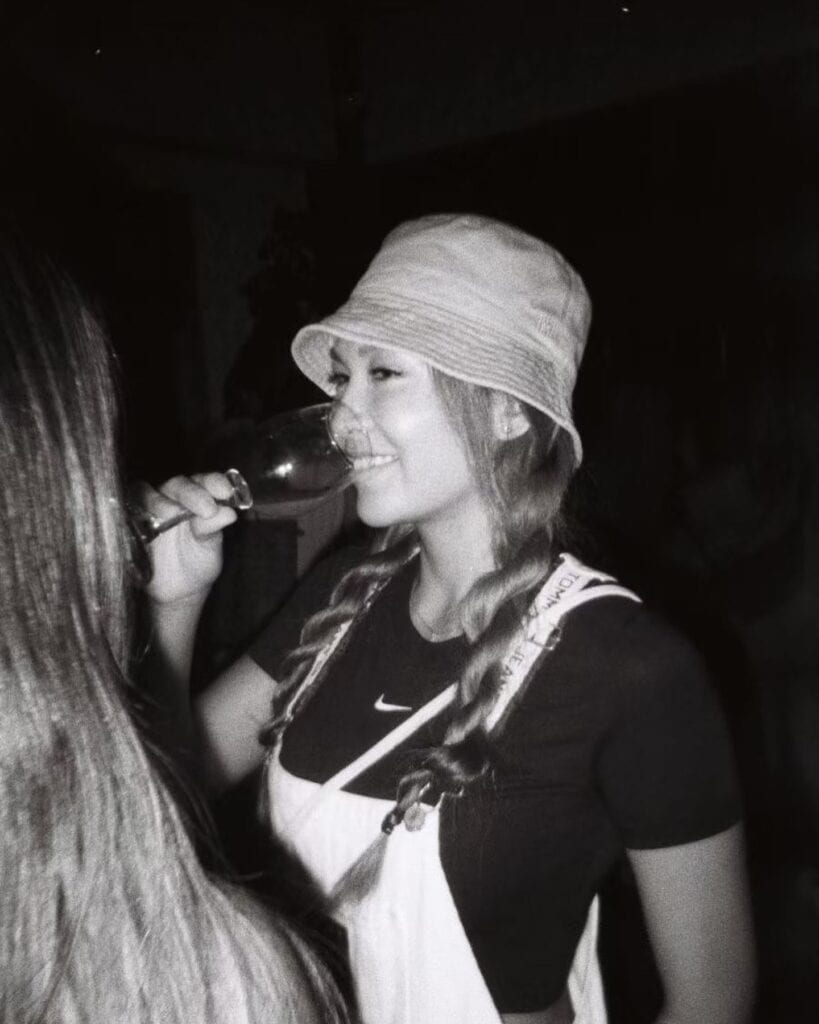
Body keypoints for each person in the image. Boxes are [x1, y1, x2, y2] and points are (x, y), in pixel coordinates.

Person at [144, 214, 756, 1024]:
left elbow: (712, 997)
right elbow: (161, 795)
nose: (338, 415)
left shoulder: (630, 667)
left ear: (507, 412)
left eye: (383, 375)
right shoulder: (337, 601)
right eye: (340, 379)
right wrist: (175, 602)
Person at [0, 226, 348, 1024]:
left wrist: (172, 608)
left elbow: (140, 803)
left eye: (382, 372)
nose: (343, 408)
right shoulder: (220, 978)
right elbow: (181, 792)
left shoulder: (608, 645)